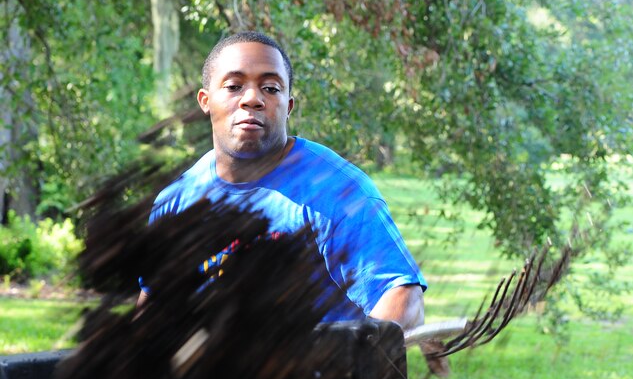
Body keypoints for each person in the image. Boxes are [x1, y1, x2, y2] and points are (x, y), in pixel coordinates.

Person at [137, 31, 426, 330]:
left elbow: (404, 297)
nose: (252, 99)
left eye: (271, 88)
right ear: (205, 100)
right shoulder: (176, 202)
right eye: (234, 86)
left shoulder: (338, 192)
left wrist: (356, 357)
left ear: (288, 106)